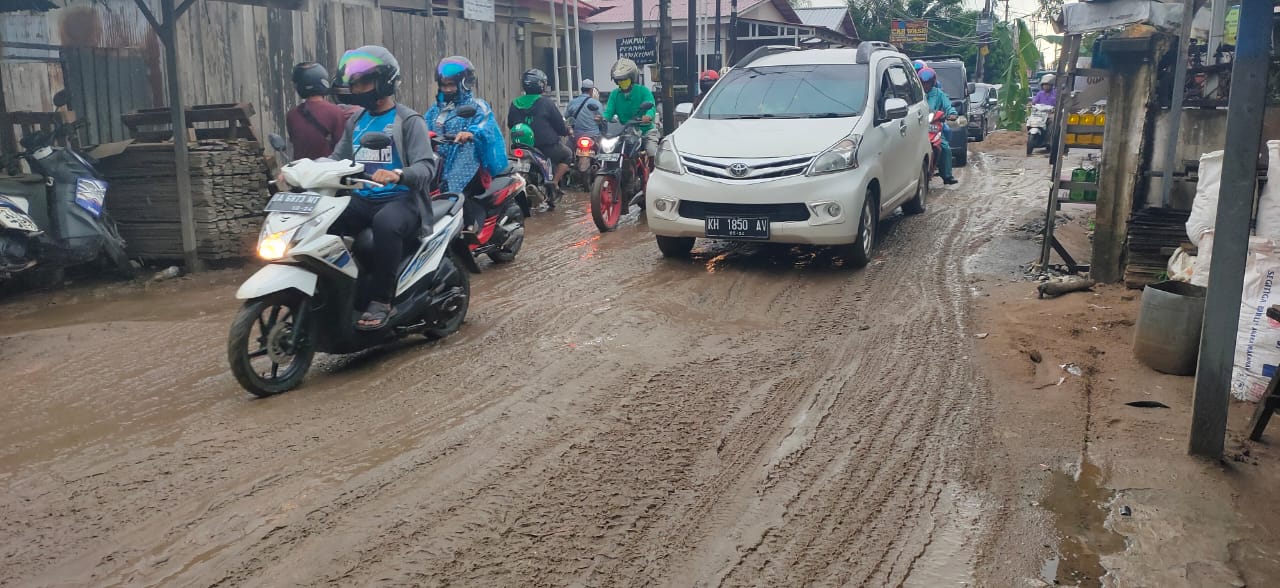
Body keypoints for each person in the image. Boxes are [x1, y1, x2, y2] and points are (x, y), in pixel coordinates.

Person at [328, 45, 438, 330]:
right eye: (354, 83)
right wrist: (299, 171)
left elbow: (427, 167)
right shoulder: (356, 120)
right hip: (363, 197)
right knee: (326, 216)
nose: (356, 88)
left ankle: (382, 300)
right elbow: (336, 159)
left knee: (385, 224)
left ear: (384, 82)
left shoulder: (408, 120)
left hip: (402, 200)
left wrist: (397, 175)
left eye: (363, 82)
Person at [425, 56, 509, 230]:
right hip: (439, 161)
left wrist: (470, 133)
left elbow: (485, 125)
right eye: (443, 85)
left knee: (455, 190)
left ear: (464, 84)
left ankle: (470, 227)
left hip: (467, 160)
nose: (447, 89)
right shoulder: (436, 108)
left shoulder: (478, 106)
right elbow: (423, 124)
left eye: (451, 85)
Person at [508, 69, 571, 195]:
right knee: (568, 155)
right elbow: (559, 125)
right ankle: (554, 182)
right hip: (546, 147)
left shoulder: (515, 103)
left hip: (521, 147)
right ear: (541, 85)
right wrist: (566, 131)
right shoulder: (546, 103)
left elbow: (511, 124)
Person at [285, 62, 347, 160]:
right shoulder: (336, 112)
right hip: (328, 171)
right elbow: (342, 147)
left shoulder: (292, 115)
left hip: (300, 172)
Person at [601, 58, 660, 159]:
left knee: (651, 151)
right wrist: (602, 118)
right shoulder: (614, 94)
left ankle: (653, 173)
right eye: (620, 80)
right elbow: (608, 112)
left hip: (645, 130)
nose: (622, 82)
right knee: (605, 151)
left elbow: (651, 107)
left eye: (625, 80)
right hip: (624, 132)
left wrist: (648, 116)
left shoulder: (643, 91)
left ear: (632, 78)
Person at [919, 67, 958, 185]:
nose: (925, 85)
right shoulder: (916, 93)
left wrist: (951, 113)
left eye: (928, 82)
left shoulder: (938, 94)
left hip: (933, 126)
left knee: (944, 146)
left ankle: (947, 175)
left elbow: (948, 106)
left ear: (933, 82)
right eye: (923, 83)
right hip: (918, 126)